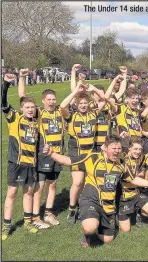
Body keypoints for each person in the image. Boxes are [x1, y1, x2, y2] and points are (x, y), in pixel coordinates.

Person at [43, 135, 148, 247]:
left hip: (108, 205)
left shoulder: (122, 164)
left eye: (119, 148)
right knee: (90, 227)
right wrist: (51, 153)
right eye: (113, 148)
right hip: (91, 200)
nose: (116, 151)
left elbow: (133, 179)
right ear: (105, 148)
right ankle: (87, 234)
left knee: (108, 240)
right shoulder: (92, 157)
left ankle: (97, 221)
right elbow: (68, 161)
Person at [18, 69, 65, 228]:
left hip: (57, 154)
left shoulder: (60, 111)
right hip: (43, 155)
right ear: (43, 101)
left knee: (52, 185)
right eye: (48, 99)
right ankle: (36, 217)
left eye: (53, 99)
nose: (51, 101)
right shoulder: (39, 113)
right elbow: (23, 97)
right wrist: (22, 77)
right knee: (40, 186)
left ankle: (48, 213)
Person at [60, 82, 107, 223]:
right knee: (78, 182)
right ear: (76, 104)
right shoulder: (71, 115)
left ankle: (85, 205)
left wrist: (95, 89)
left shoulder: (93, 113)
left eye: (85, 103)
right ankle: (72, 208)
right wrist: (75, 92)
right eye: (80, 103)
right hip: (77, 152)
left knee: (89, 182)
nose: (83, 105)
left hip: (91, 153)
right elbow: (62, 106)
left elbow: (104, 100)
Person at [2, 73, 39, 240]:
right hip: (16, 163)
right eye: (27, 107)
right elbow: (3, 102)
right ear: (22, 108)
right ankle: (6, 226)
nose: (31, 110)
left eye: (33, 107)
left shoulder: (35, 121)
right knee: (11, 193)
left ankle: (28, 222)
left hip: (30, 163)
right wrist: (6, 84)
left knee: (28, 193)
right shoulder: (14, 118)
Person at [117, 138, 148, 232]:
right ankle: (118, 214)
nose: (138, 152)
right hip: (124, 198)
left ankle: (138, 212)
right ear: (129, 148)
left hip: (136, 193)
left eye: (140, 149)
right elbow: (132, 180)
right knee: (125, 230)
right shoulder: (123, 160)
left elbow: (142, 168)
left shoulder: (141, 157)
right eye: (135, 149)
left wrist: (143, 175)